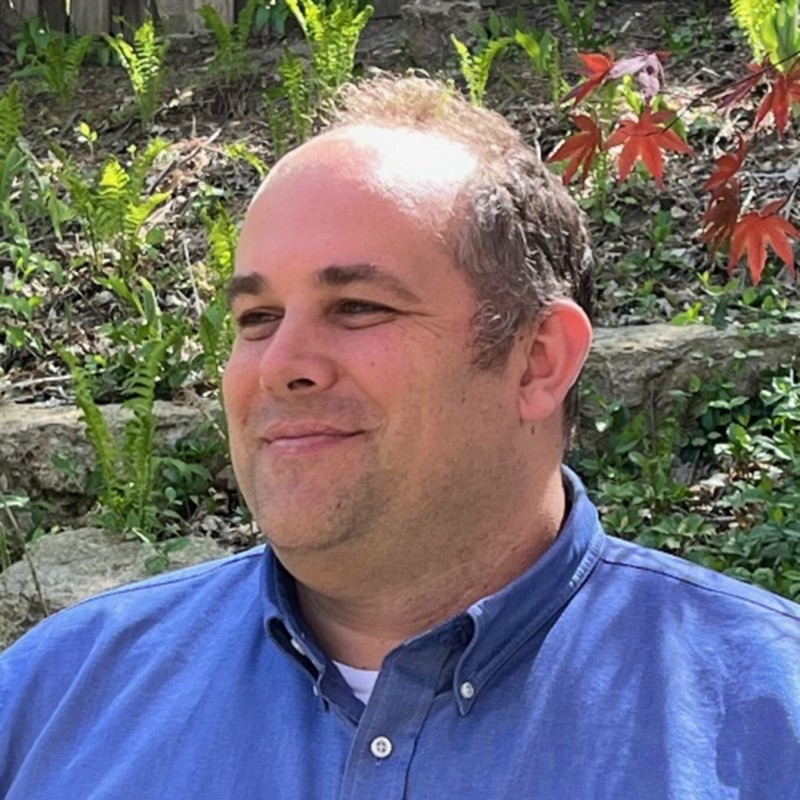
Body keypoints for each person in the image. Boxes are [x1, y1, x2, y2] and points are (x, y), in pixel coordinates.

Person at [1, 74, 798, 800]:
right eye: (257, 319)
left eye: (357, 307)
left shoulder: (769, 720)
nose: (280, 367)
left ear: (537, 361)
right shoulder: (49, 699)